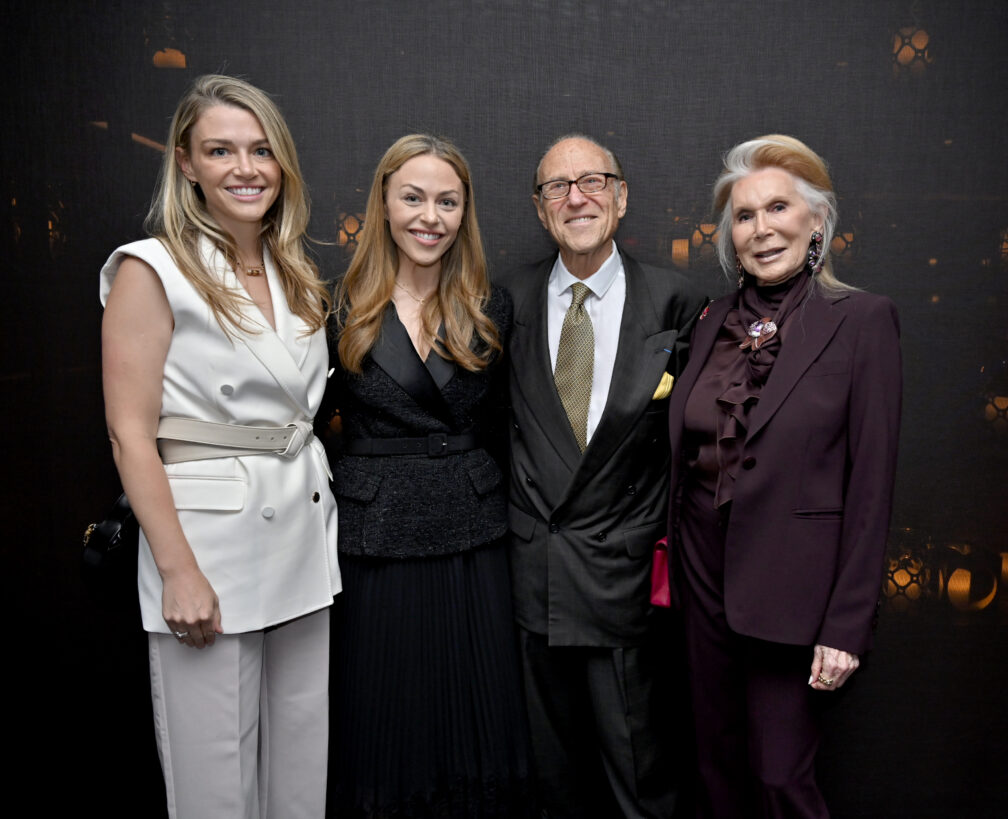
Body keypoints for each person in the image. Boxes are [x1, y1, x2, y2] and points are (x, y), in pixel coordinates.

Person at [100, 75, 340, 818]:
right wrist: (177, 571)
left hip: (301, 535)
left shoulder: (293, 270)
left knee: (300, 774)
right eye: (221, 150)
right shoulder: (151, 267)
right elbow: (129, 432)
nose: (246, 167)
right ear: (186, 163)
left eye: (262, 149)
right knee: (215, 787)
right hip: (206, 550)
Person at [666, 134, 902, 818]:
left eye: (778, 208)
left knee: (779, 777)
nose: (761, 229)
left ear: (817, 222)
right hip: (702, 575)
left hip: (795, 593)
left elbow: (872, 485)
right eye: (744, 215)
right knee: (715, 767)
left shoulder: (862, 321)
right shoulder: (711, 322)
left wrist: (848, 622)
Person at [497, 134, 706, 818]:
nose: (576, 197)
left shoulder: (677, 302)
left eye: (592, 181)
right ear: (539, 208)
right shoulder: (507, 301)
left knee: (640, 783)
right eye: (557, 186)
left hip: (624, 578)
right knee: (548, 782)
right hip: (535, 579)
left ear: (621, 196)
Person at [326, 134, 533, 817]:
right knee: (384, 717)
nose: (430, 216)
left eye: (447, 201)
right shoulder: (333, 305)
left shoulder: (491, 305)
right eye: (413, 197)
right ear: (383, 203)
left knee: (474, 719)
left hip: (472, 534)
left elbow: (511, 423)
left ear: (464, 213)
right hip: (374, 536)